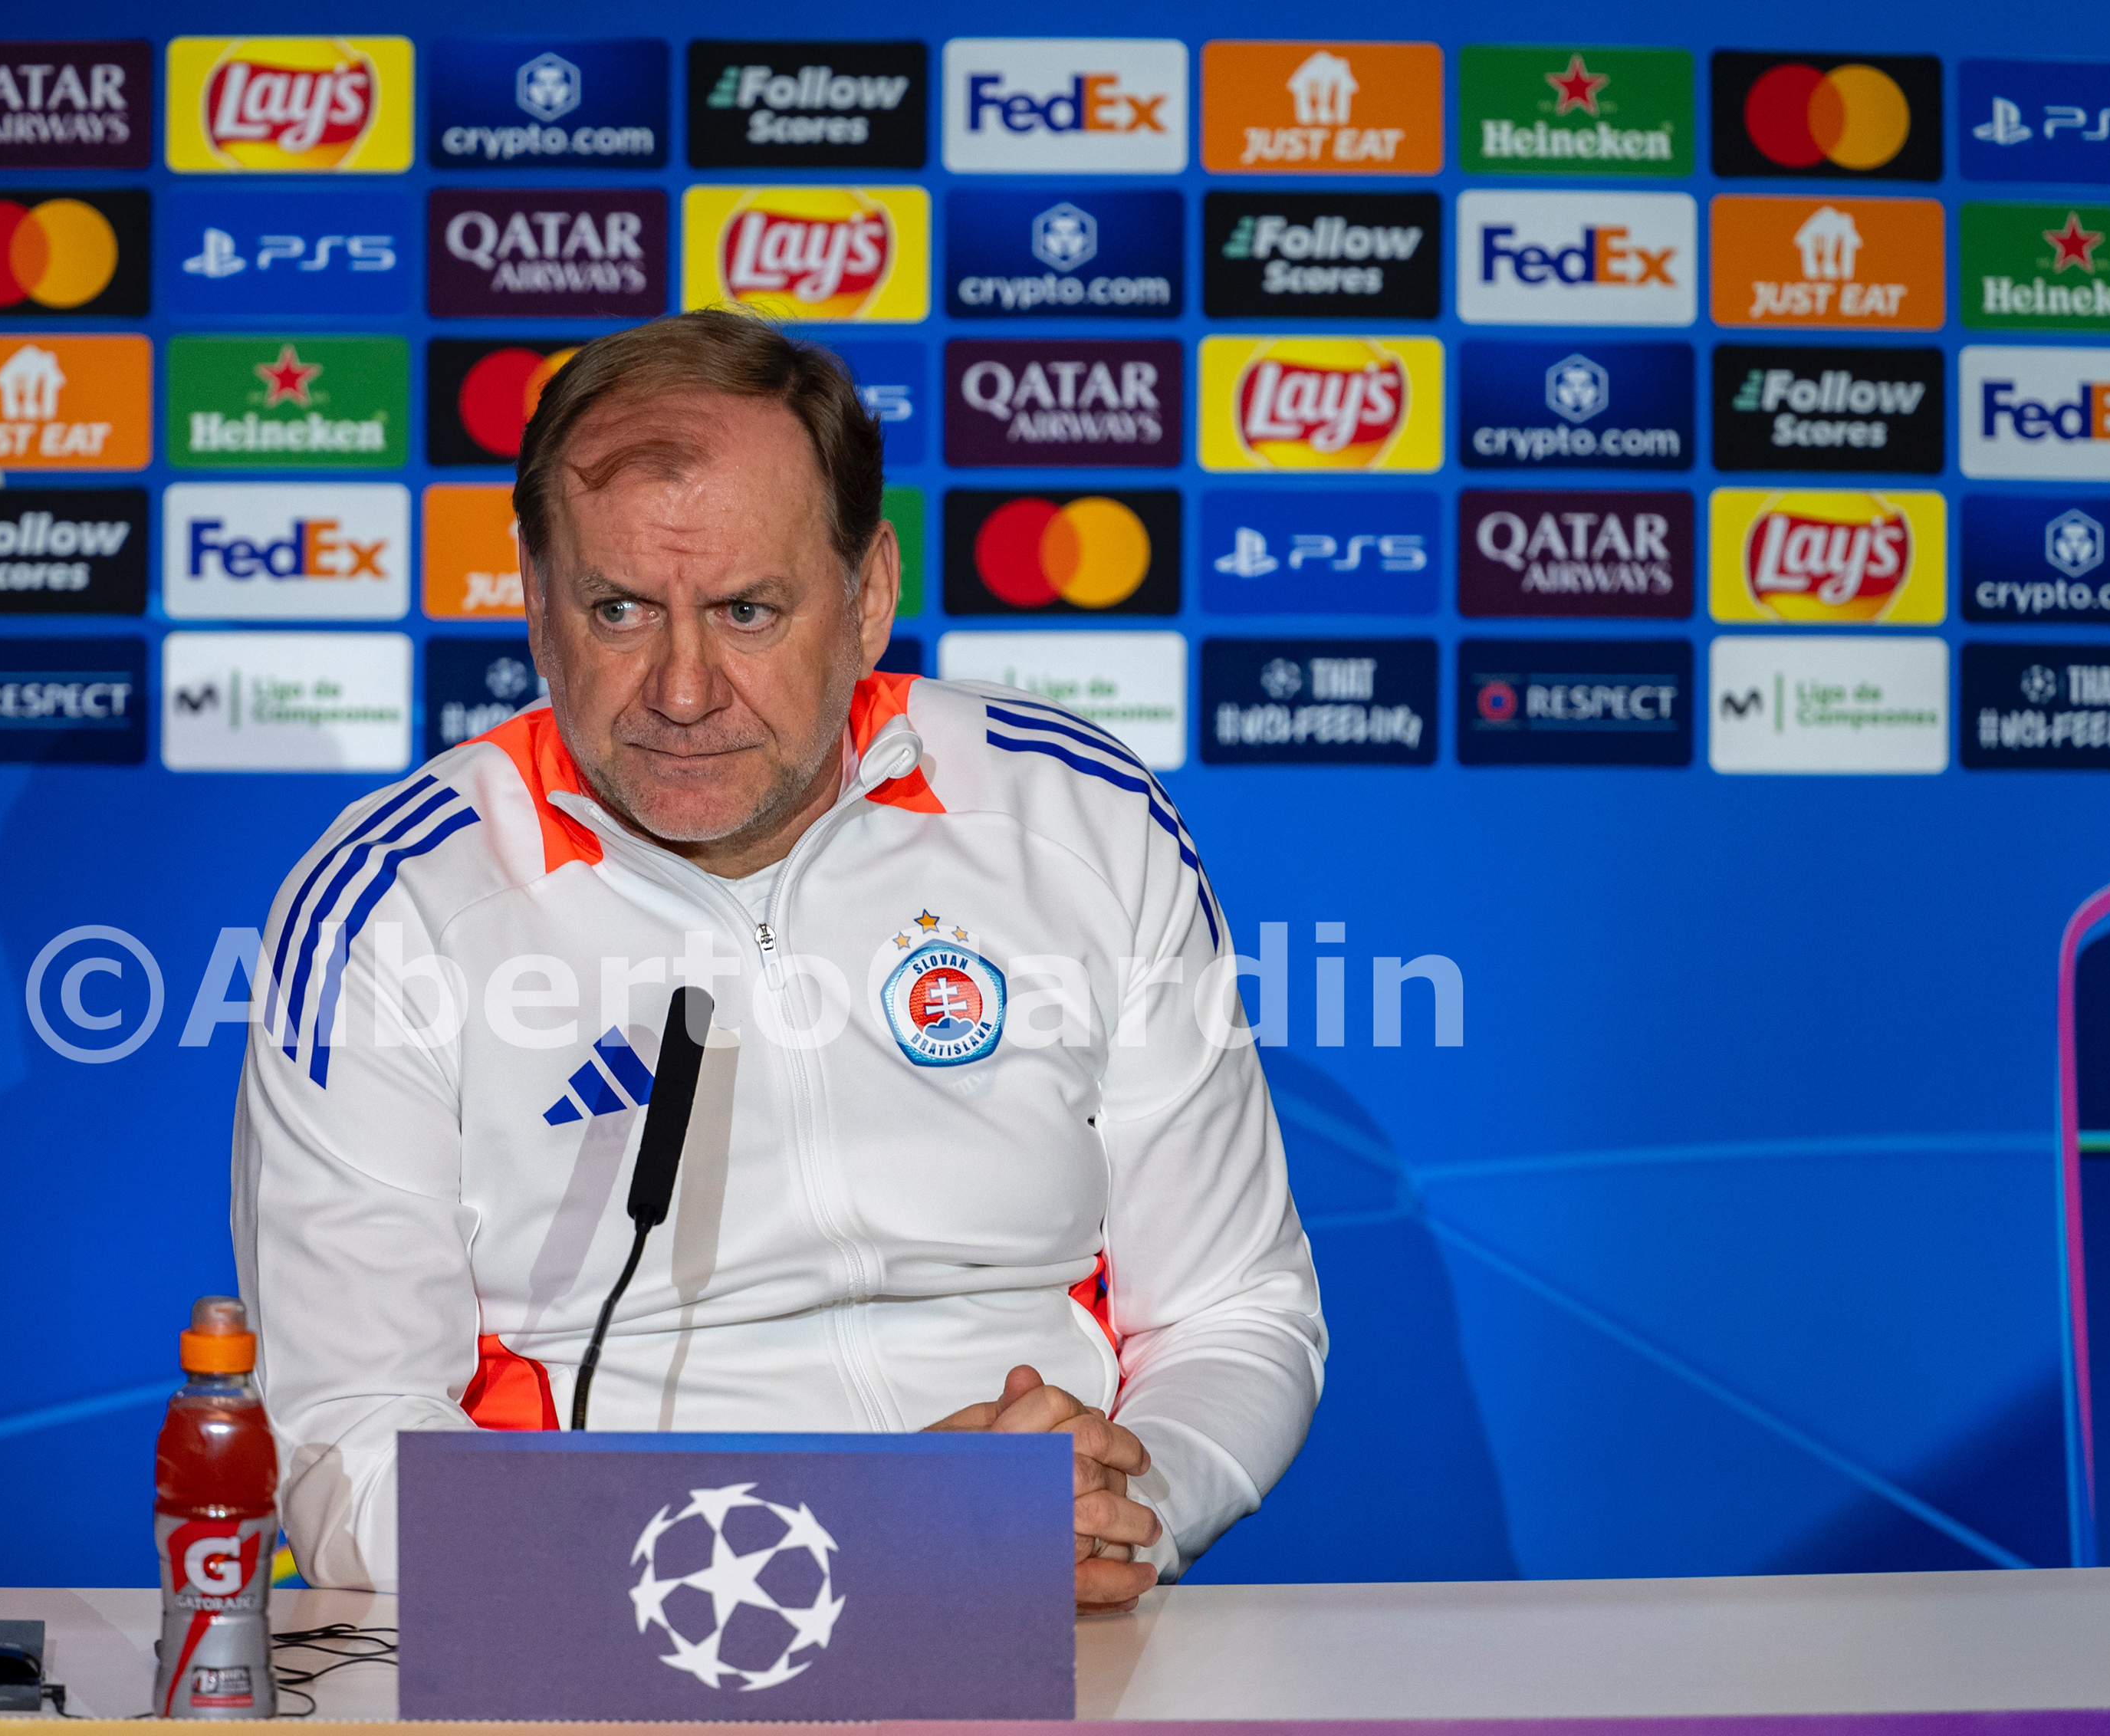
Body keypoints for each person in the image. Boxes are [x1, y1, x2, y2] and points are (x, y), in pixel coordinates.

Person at [234, 310, 1323, 1611]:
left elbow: (1236, 1309)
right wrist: (850, 1530)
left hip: (1048, 1606)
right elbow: (348, 1454)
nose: (683, 690)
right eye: (620, 610)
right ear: (533, 597)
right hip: (612, 1643)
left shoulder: (1076, 816)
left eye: (747, 611)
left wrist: (1122, 1508)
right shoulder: (392, 905)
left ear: (868, 598)